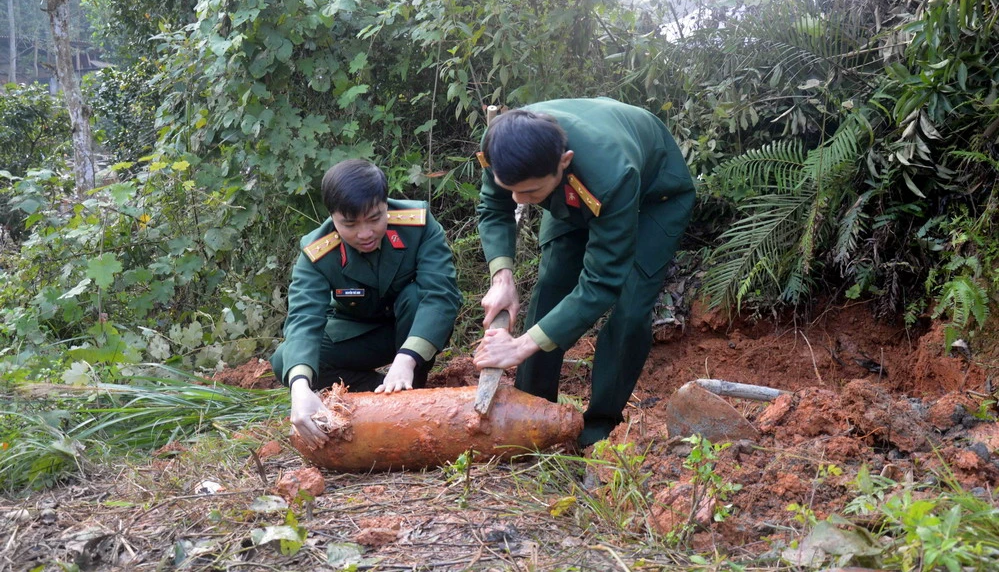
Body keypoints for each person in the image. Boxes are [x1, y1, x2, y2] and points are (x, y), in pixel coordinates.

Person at [473, 97, 696, 447]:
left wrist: (519, 347)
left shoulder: (613, 175)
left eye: (529, 191)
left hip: (655, 199)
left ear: (564, 162)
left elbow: (601, 281)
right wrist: (502, 278)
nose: (518, 200)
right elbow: (493, 206)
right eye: (511, 188)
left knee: (630, 307)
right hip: (574, 190)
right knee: (551, 285)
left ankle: (597, 428)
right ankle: (533, 413)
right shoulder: (502, 144)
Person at [270, 158, 462, 450]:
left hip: (413, 331)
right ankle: (381, 393)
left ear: (386, 205)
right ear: (332, 217)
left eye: (374, 219)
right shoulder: (318, 251)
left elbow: (441, 295)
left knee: (416, 296)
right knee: (288, 360)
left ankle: (414, 387)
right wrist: (299, 388)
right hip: (361, 335)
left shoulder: (417, 224)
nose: (364, 233)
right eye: (349, 224)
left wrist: (407, 358)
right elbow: (303, 319)